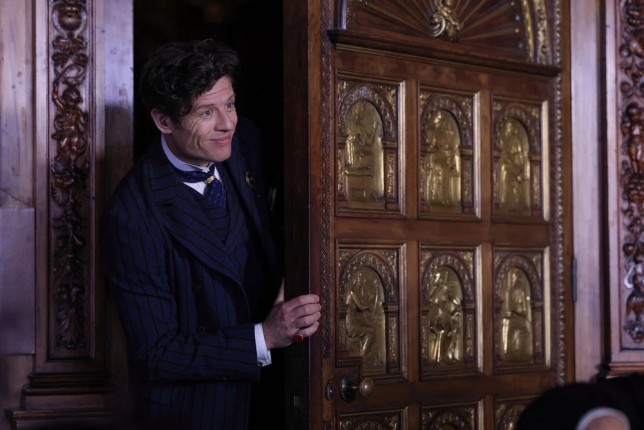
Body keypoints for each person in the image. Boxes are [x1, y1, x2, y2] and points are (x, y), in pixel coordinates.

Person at [101, 39, 322, 430]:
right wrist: (264, 337)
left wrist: (296, 268)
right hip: (198, 413)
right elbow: (157, 353)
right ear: (164, 121)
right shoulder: (132, 215)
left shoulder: (244, 141)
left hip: (277, 396)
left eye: (230, 104)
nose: (227, 123)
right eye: (207, 112)